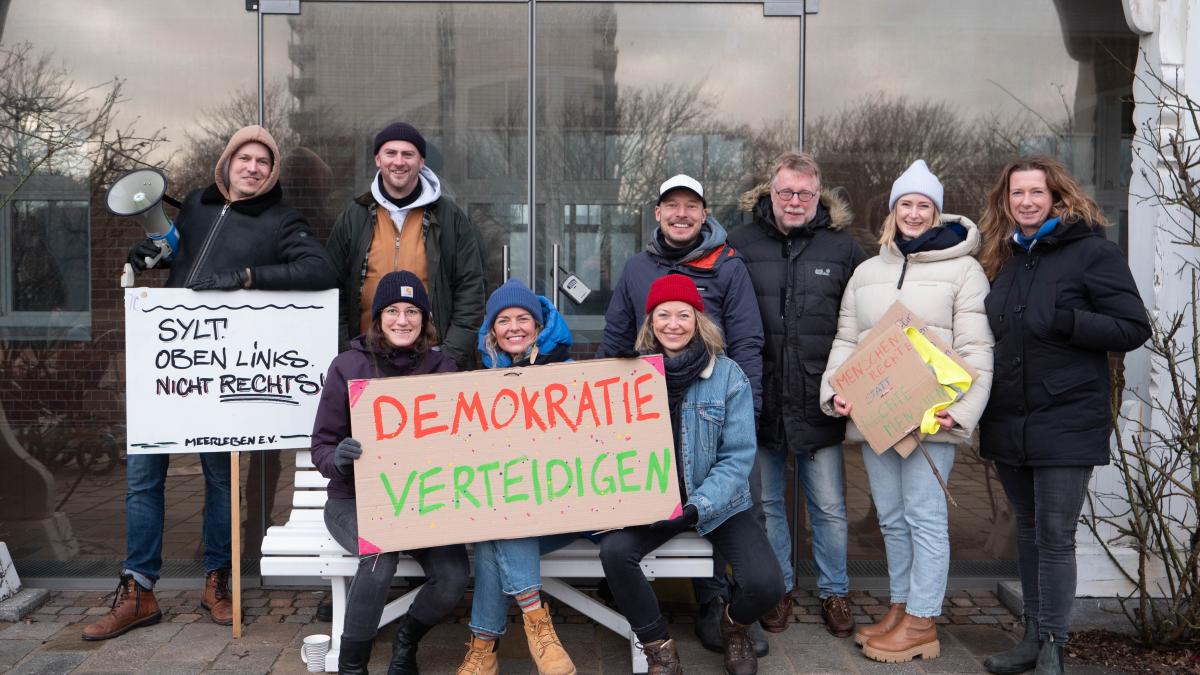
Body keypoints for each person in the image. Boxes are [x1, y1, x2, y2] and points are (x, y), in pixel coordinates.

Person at [84, 125, 338, 640]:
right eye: (243, 158)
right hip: (173, 369)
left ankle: (217, 581)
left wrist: (246, 277)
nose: (252, 167)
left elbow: (319, 267)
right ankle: (139, 590)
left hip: (223, 375)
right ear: (226, 164)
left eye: (263, 162)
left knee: (221, 484)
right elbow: (183, 258)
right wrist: (151, 257)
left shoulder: (281, 220)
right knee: (142, 481)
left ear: (273, 173)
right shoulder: (196, 207)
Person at [975, 156, 1150, 675]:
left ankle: (1054, 644)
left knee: (1055, 534)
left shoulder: (1092, 253)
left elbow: (1132, 326)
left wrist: (1069, 320)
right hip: (1010, 416)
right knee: (1027, 532)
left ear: (1057, 196)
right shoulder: (1001, 257)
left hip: (1067, 415)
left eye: (1036, 192)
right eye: (1016, 194)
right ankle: (1031, 637)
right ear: (1005, 202)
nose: (1026, 202)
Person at [819, 160, 994, 662]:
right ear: (893, 211)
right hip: (879, 416)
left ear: (936, 212)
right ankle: (900, 607)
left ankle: (923, 621)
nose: (914, 213)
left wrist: (960, 413)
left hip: (932, 419)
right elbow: (846, 341)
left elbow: (978, 349)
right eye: (906, 204)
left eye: (924, 205)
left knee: (925, 517)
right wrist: (836, 393)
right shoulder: (867, 271)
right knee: (892, 519)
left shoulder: (964, 270)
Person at [597, 174, 765, 653]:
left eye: (691, 206)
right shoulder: (636, 268)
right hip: (650, 421)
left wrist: (745, 412)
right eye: (672, 205)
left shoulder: (728, 266)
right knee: (637, 517)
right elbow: (614, 341)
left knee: (718, 507)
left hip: (712, 414)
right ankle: (628, 596)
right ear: (657, 213)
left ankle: (716, 607)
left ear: (704, 213)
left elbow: (748, 341)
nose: (681, 214)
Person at [598, 274, 784, 675]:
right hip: (653, 504)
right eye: (663, 314)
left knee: (768, 584)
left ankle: (734, 628)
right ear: (650, 322)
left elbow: (737, 458)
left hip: (716, 504)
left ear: (699, 321)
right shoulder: (626, 376)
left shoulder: (728, 376)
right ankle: (659, 648)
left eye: (684, 314)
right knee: (615, 553)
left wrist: (698, 506)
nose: (673, 324)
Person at [728, 151, 867, 638]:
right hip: (760, 396)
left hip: (820, 397)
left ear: (818, 195)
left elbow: (865, 324)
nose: (793, 201)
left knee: (828, 506)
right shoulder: (740, 243)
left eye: (804, 193)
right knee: (766, 505)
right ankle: (778, 588)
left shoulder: (843, 249)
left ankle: (834, 592)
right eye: (785, 192)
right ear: (770, 192)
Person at [311, 271, 471, 674]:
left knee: (453, 576)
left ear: (425, 318)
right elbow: (322, 446)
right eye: (393, 311)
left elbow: (463, 441)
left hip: (424, 500)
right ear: (379, 317)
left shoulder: (444, 369)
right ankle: (352, 665)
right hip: (354, 500)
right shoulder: (348, 366)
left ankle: (407, 641)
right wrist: (340, 457)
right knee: (380, 554)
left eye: (412, 310)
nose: (403, 320)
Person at [455, 278, 576, 675]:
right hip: (514, 513)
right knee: (501, 523)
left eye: (524, 318)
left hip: (569, 509)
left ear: (539, 326)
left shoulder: (570, 373)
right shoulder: (482, 382)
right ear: (492, 330)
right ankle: (533, 627)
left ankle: (483, 649)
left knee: (503, 521)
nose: (514, 327)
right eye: (503, 320)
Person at [327, 121, 486, 371]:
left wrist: (449, 356)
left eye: (408, 154)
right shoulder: (354, 217)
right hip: (367, 359)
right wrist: (347, 352)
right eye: (390, 153)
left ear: (421, 162)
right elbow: (332, 289)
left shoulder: (450, 217)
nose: (399, 162)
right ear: (378, 159)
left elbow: (471, 291)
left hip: (433, 359)